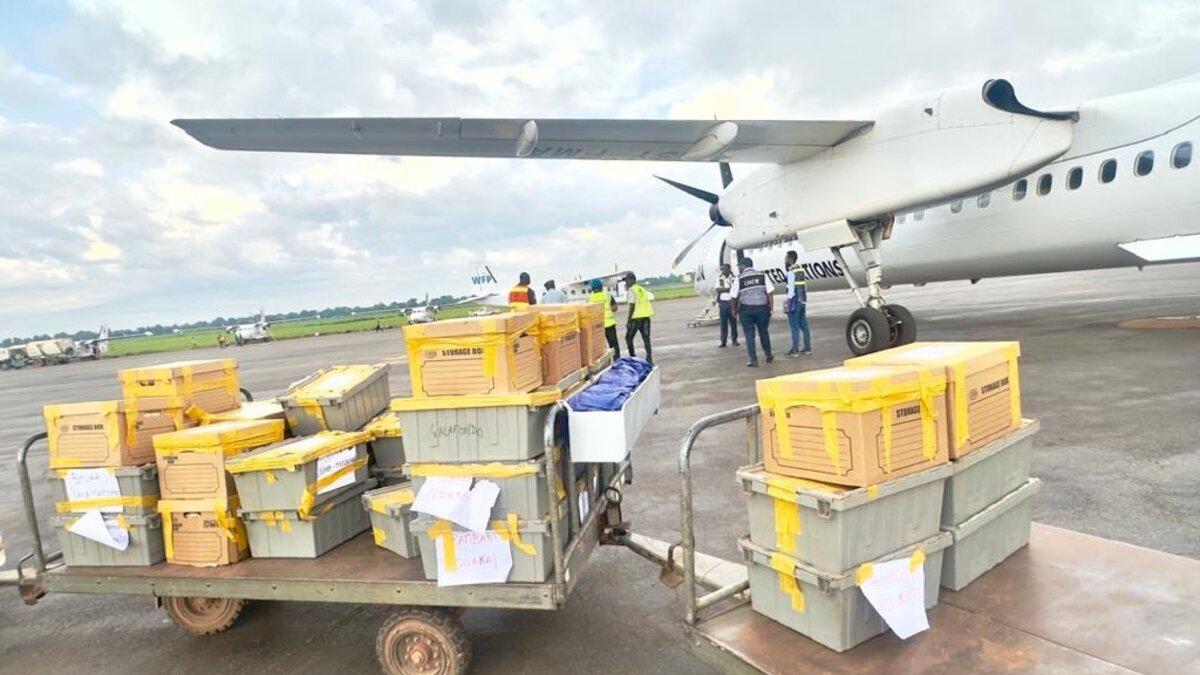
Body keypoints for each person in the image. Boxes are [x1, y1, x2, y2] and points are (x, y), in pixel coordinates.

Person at [730, 257, 774, 367]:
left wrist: (734, 309)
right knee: (764, 332)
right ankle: (769, 355)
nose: (739, 268)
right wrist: (771, 307)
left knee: (749, 335)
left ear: (743, 266)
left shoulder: (739, 279)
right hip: (762, 308)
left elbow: (733, 296)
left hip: (746, 310)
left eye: (739, 266)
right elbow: (769, 292)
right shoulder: (762, 275)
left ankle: (753, 360)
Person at [784, 250, 813, 357]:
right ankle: (807, 348)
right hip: (802, 301)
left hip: (794, 302)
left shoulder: (791, 272)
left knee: (794, 326)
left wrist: (788, 303)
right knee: (804, 326)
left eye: (786, 258)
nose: (785, 260)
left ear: (790, 259)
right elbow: (803, 286)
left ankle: (795, 350)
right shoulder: (801, 270)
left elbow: (791, 290)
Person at [624, 272, 654, 363]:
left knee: (628, 338)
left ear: (632, 280)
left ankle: (633, 358)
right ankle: (649, 358)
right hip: (646, 317)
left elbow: (632, 306)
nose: (626, 283)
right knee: (646, 338)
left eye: (627, 280)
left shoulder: (631, 290)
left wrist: (629, 321)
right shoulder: (641, 288)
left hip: (636, 318)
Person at [588, 279, 620, 357]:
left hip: (597, 326)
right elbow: (615, 308)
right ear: (601, 286)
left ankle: (603, 360)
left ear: (592, 288)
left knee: (600, 346)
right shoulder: (607, 295)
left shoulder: (590, 298)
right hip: (609, 324)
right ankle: (617, 359)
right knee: (613, 344)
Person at [715, 263, 739, 348]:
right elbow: (717, 289)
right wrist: (728, 289)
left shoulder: (734, 278)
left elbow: (736, 289)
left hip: (732, 302)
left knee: (733, 322)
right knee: (723, 323)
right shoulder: (720, 278)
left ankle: (734, 340)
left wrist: (724, 289)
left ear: (729, 269)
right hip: (723, 303)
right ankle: (723, 341)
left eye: (724, 269)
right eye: (722, 269)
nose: (723, 271)